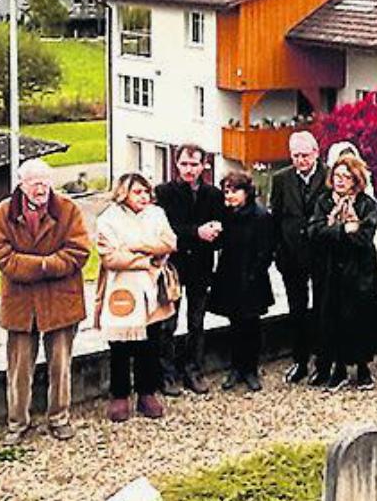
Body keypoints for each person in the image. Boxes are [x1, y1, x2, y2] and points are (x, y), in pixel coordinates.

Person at [0, 158, 91, 444]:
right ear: (21, 184)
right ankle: (18, 422)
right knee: (19, 367)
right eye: (34, 183)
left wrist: (46, 266)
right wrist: (43, 265)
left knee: (61, 364)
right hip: (20, 303)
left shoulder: (68, 210)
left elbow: (79, 251)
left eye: (45, 182)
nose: (41, 189)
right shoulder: (2, 214)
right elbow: (2, 256)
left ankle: (59, 418)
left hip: (62, 300)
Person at [93, 172, 178, 422]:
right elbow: (110, 257)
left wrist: (134, 246)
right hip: (120, 289)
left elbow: (169, 242)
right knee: (120, 346)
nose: (143, 196)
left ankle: (146, 393)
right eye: (137, 192)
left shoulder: (157, 214)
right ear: (123, 193)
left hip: (151, 289)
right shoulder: (108, 218)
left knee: (150, 344)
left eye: (145, 191)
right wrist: (147, 259)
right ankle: (119, 395)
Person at [308, 151, 377, 389]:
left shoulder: (365, 203)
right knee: (332, 318)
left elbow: (365, 236)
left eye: (346, 176)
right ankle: (338, 368)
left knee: (361, 318)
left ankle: (362, 368)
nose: (340, 180)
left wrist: (343, 231)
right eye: (337, 175)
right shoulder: (324, 202)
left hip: (360, 271)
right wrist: (344, 230)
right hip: (331, 270)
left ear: (356, 179)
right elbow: (315, 233)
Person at [154, 144, 224, 397]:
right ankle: (166, 374)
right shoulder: (164, 193)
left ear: (203, 165)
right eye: (184, 164)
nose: (189, 170)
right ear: (176, 164)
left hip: (201, 267)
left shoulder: (214, 194)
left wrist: (214, 232)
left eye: (194, 164)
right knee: (167, 323)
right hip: (174, 266)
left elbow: (220, 232)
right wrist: (197, 232)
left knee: (197, 322)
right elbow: (166, 229)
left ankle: (193, 370)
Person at [208, 172, 277, 391]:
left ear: (246, 192)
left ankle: (251, 369)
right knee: (234, 324)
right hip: (230, 276)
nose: (230, 196)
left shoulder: (261, 215)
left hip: (252, 277)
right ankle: (235, 368)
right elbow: (219, 245)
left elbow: (267, 250)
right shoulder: (225, 215)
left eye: (235, 190)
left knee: (252, 325)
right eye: (227, 191)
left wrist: (254, 274)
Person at [268, 131, 327, 386]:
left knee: (324, 307)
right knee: (297, 310)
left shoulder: (329, 176)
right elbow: (276, 217)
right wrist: (277, 252)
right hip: (291, 255)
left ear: (316, 153)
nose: (301, 160)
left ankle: (324, 359)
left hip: (322, 253)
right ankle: (300, 360)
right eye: (296, 156)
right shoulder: (281, 179)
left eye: (305, 155)